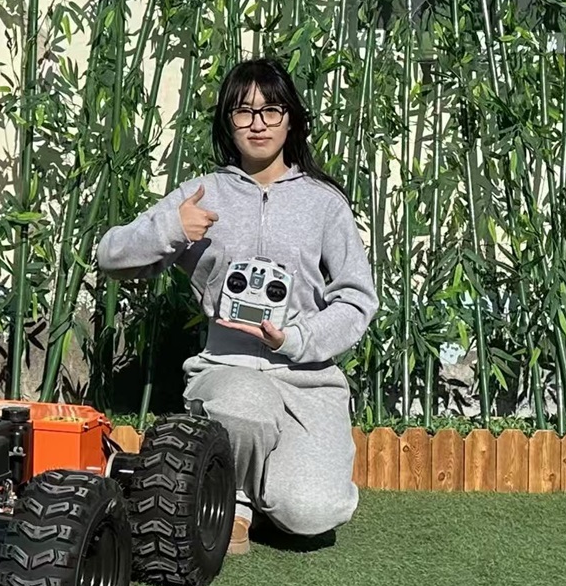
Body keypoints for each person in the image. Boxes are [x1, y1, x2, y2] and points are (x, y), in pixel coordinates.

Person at [95, 57, 378, 554]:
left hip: (307, 380)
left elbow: (357, 299)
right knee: (245, 405)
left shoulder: (323, 202)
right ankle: (235, 500)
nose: (258, 123)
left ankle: (275, 483)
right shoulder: (204, 193)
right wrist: (173, 229)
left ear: (291, 119)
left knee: (311, 514)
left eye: (271, 110)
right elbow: (111, 256)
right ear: (228, 121)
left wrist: (297, 339)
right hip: (227, 369)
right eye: (244, 111)